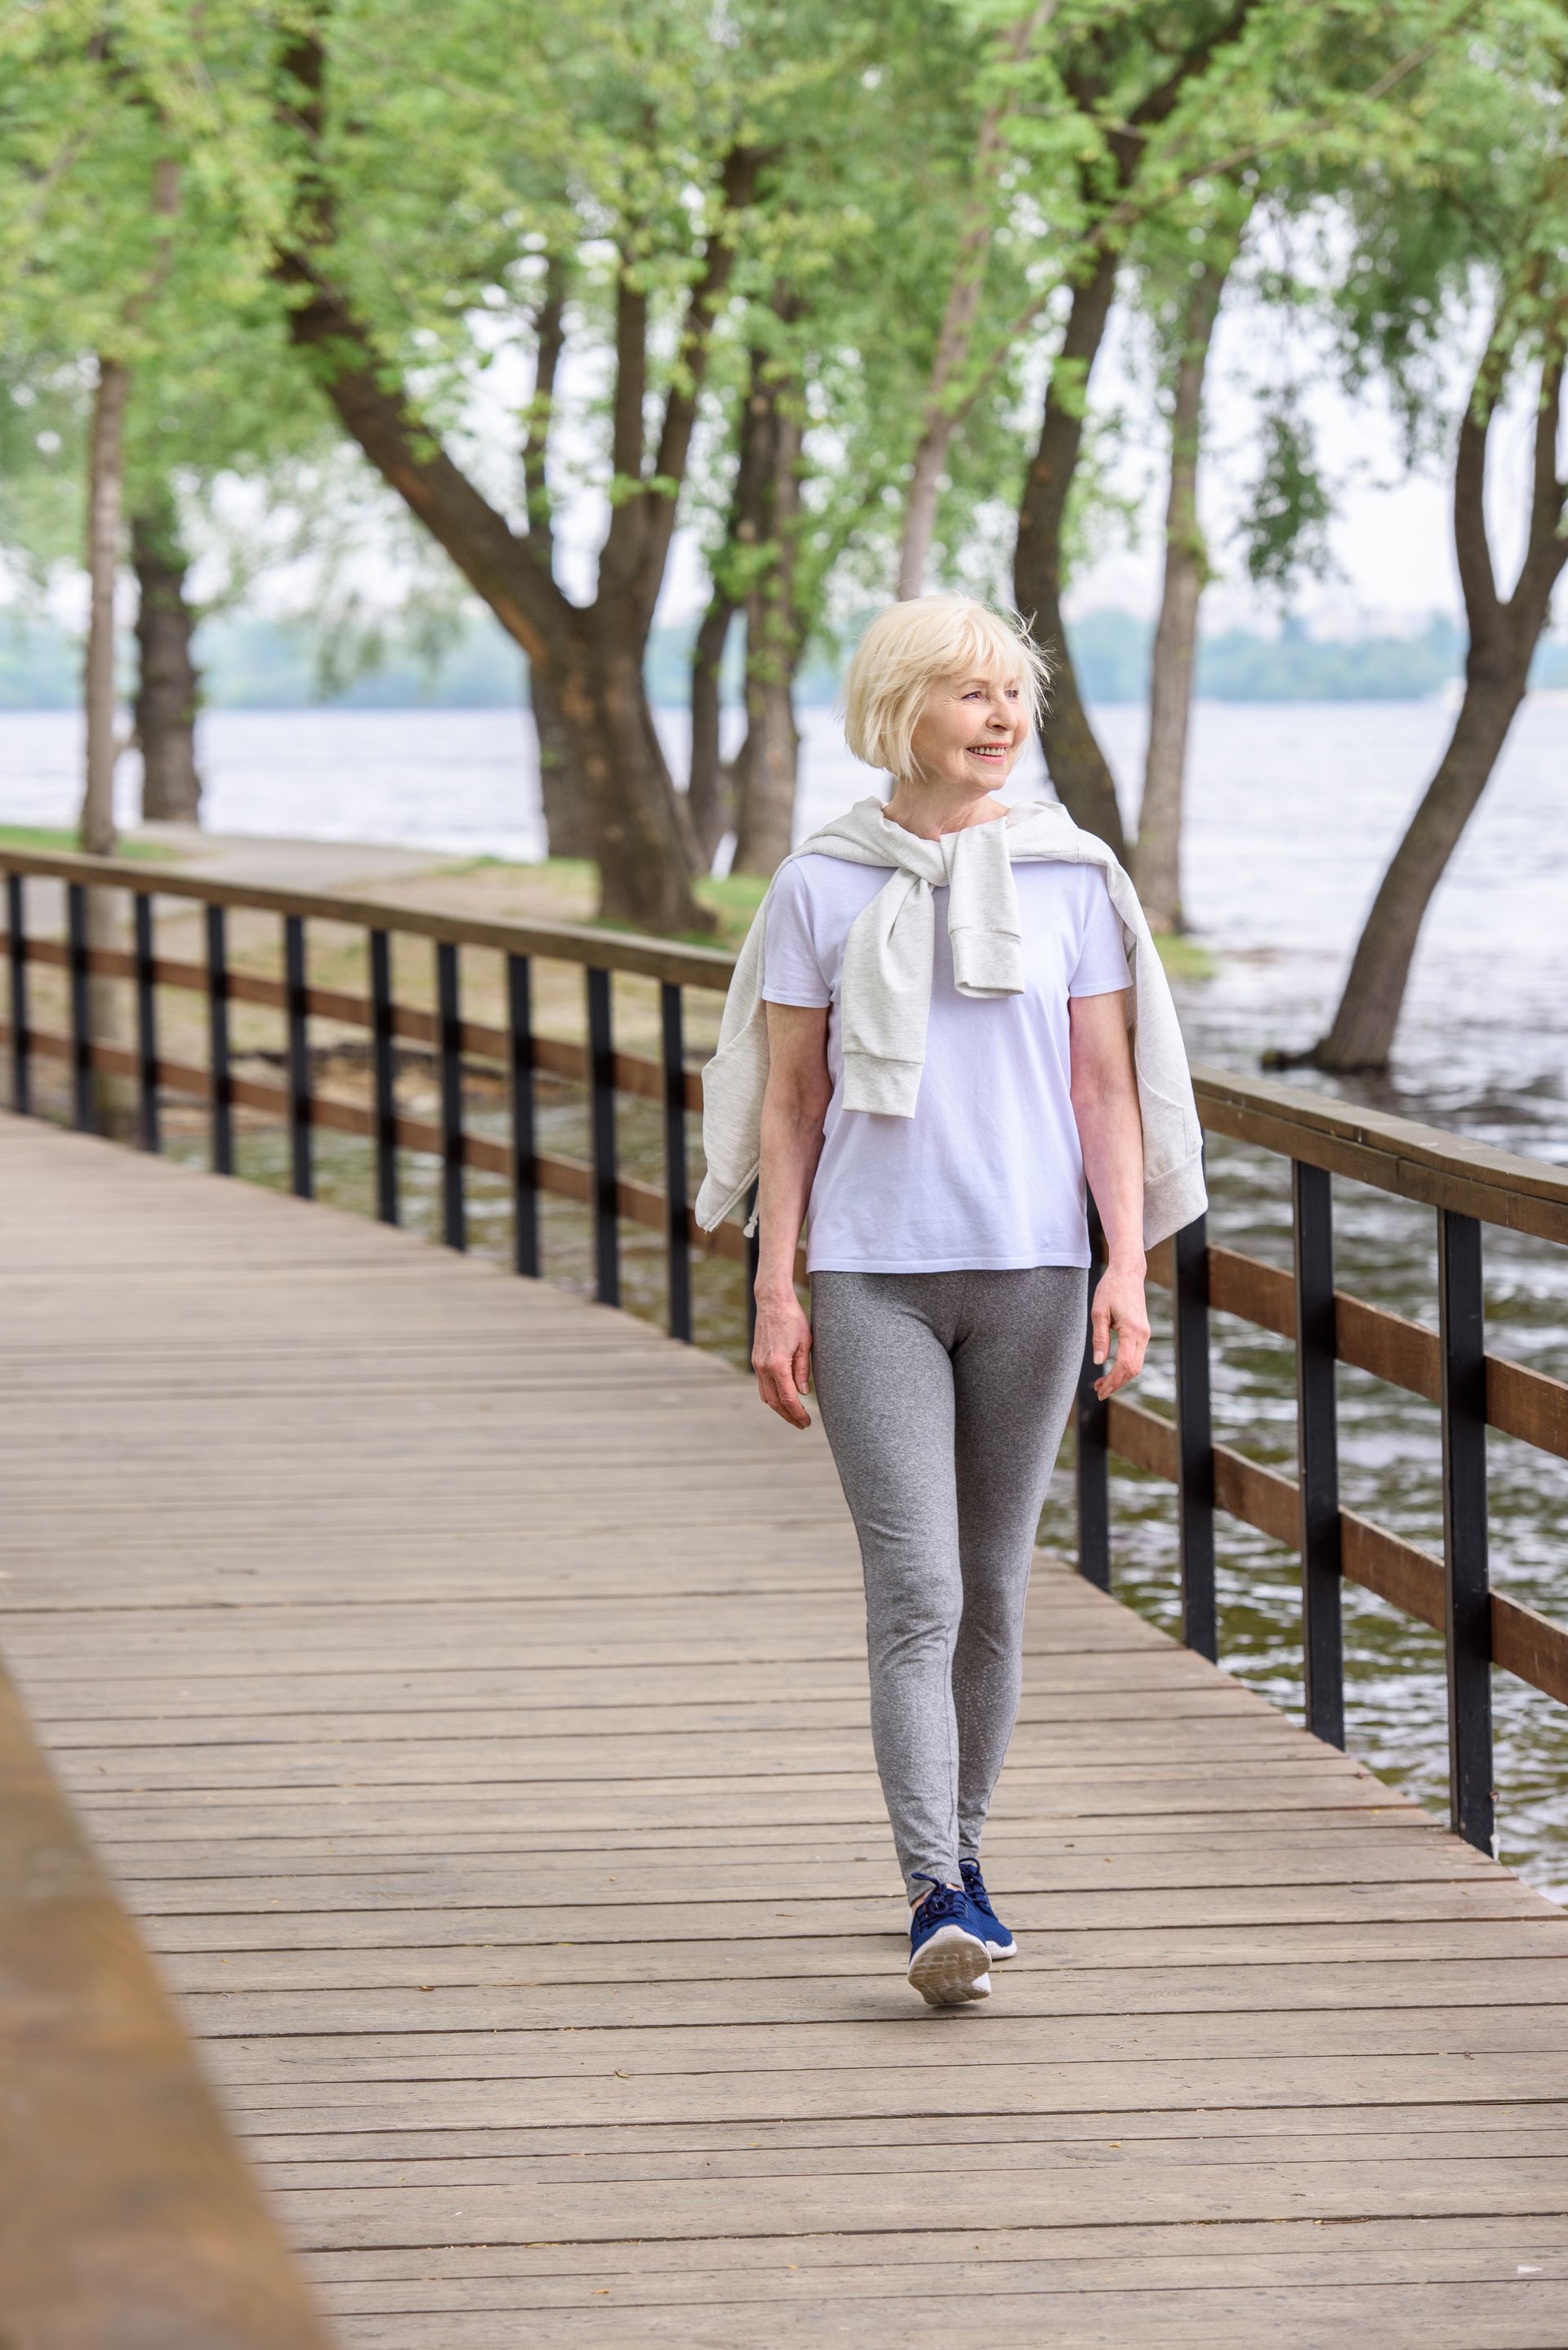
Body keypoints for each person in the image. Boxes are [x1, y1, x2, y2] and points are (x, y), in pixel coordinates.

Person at [695, 595, 1206, 2007]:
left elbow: (1106, 1088)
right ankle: (934, 1884)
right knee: (915, 1585)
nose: (1000, 717)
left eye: (1014, 694)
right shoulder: (821, 883)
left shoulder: (1071, 877)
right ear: (898, 709)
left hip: (1035, 1271)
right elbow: (790, 1102)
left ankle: (964, 1870)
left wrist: (1126, 1263)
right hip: (870, 1276)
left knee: (992, 1590)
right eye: (969, 693)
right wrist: (776, 1288)